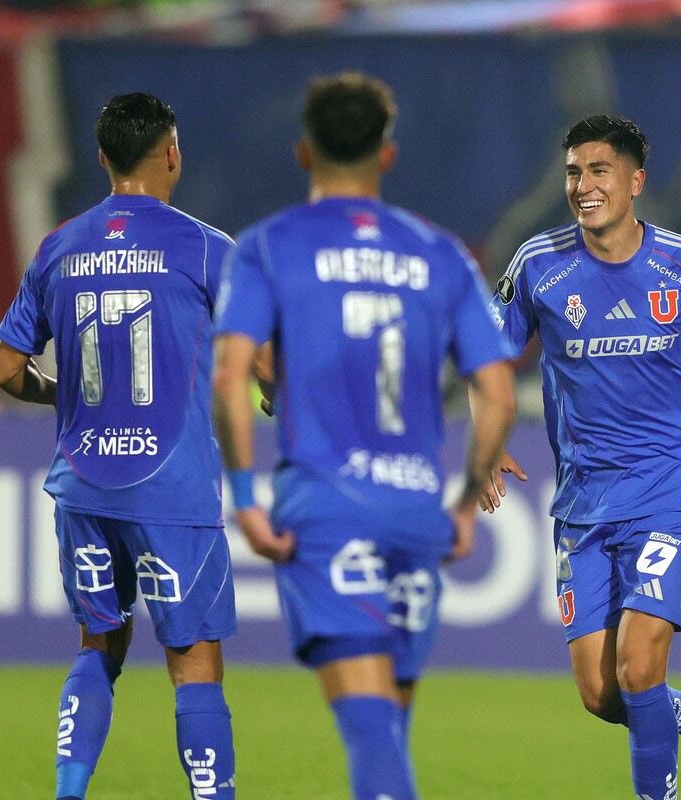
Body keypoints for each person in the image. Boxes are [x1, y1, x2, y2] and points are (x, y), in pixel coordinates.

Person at [211, 72, 515, 800]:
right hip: (413, 510)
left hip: (325, 506)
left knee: (371, 731)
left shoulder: (269, 246)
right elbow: (499, 394)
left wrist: (246, 498)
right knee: (390, 727)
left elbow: (230, 376)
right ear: (387, 154)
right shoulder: (441, 254)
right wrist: (464, 506)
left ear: (303, 152)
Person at [481, 114, 681, 800]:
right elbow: (487, 360)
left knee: (639, 666)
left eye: (599, 171)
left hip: (672, 486)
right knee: (604, 694)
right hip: (583, 500)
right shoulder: (539, 264)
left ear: (635, 181)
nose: (583, 185)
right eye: (573, 172)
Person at [0, 93, 237, 799]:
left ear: (102, 157)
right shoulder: (207, 246)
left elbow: (4, 369)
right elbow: (267, 356)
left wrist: (63, 396)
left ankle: (68, 792)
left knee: (99, 645)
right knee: (193, 662)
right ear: (172, 154)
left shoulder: (59, 246)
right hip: (172, 488)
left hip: (84, 486)